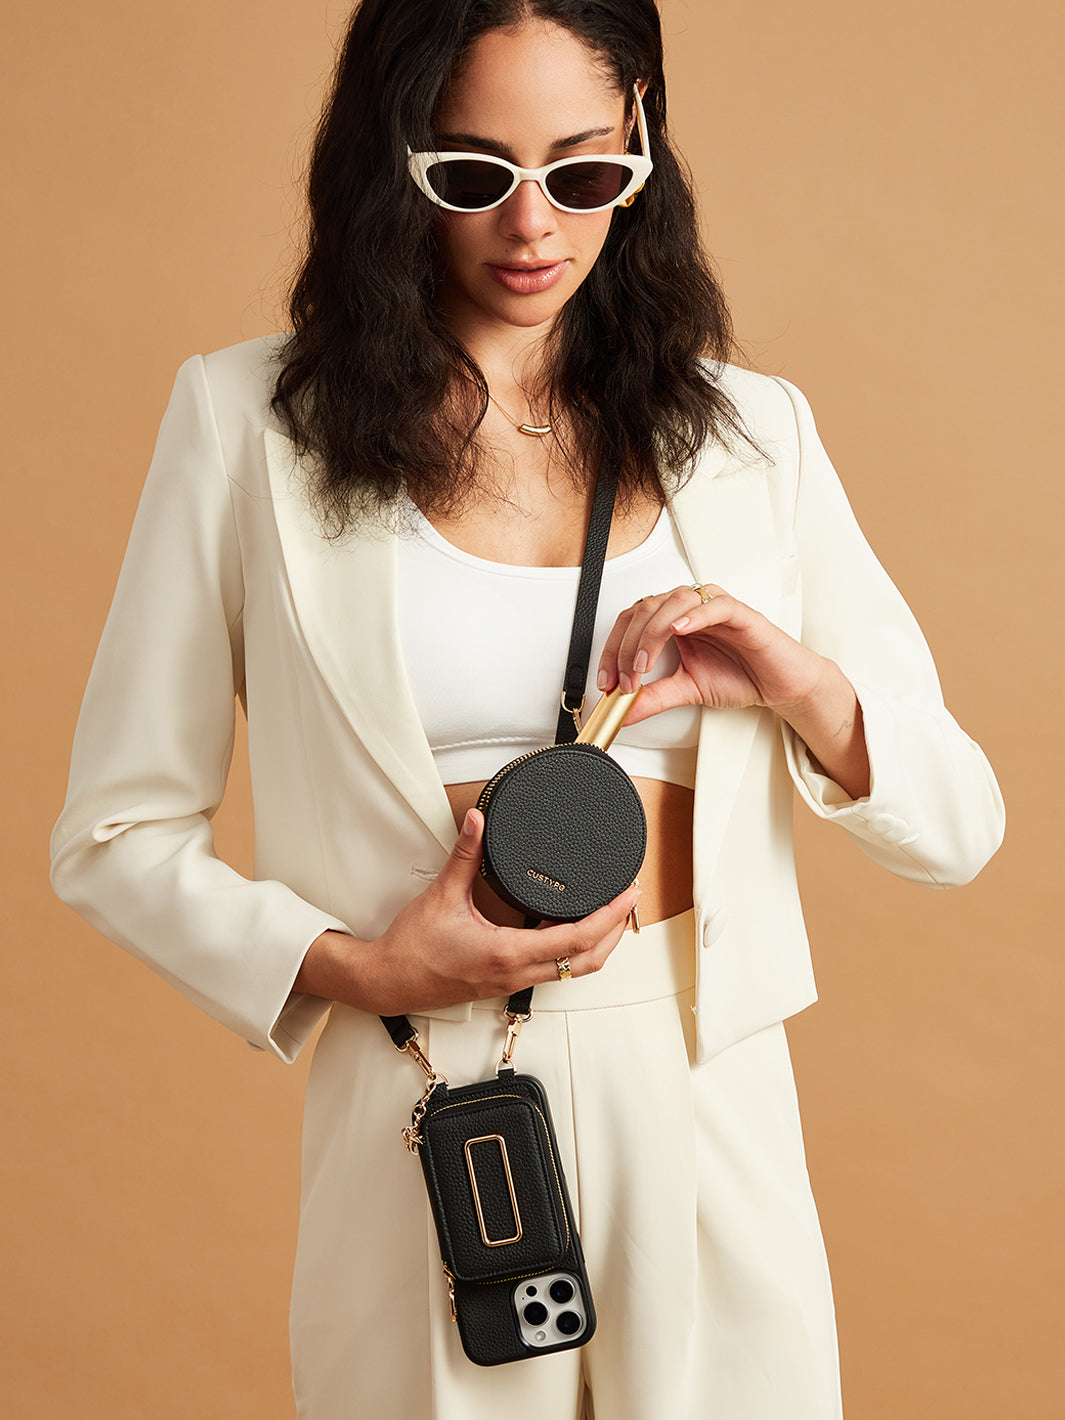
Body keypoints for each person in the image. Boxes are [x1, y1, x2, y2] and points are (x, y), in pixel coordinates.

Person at [49, 1, 1005, 1416]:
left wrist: (800, 684)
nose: (533, 225)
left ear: (642, 146)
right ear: (392, 163)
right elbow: (113, 833)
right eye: (473, 173)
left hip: (707, 1082)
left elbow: (960, 826)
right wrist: (359, 970)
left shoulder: (754, 437)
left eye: (584, 170)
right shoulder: (246, 423)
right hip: (423, 1093)